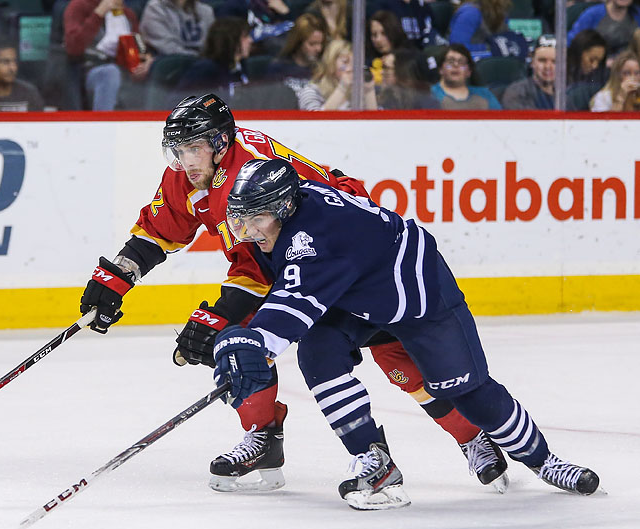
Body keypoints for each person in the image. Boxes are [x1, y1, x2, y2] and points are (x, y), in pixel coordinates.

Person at [78, 94, 509, 494]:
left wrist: (219, 315)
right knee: (242, 345)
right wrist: (114, 277)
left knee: (398, 360)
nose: (184, 161)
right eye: (178, 150)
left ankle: (473, 436)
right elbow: (162, 226)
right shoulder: (192, 173)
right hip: (288, 260)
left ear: (220, 142)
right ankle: (265, 437)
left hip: (340, 258)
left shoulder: (244, 178)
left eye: (193, 148)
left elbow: (261, 266)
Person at [212, 157, 600, 509]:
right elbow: (292, 292)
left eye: (256, 219)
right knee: (318, 353)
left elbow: (293, 304)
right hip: (358, 292)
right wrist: (247, 344)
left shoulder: (316, 238)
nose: (247, 231)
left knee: (470, 394)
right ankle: (374, 462)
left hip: (418, 297)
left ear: (284, 208)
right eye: (240, 220)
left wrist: (249, 343)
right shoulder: (293, 211)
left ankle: (544, 461)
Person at [64, 0, 152, 111]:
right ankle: (102, 123)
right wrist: (98, 14)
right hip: (89, 69)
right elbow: (73, 47)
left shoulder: (128, 14)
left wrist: (147, 62)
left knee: (155, 70)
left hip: (124, 70)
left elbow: (139, 50)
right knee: (110, 72)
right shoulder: (79, 6)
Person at [175, 17, 251, 100]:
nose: (250, 40)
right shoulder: (205, 70)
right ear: (231, 40)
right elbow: (180, 102)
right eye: (245, 37)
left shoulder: (240, 67)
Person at [298, 39, 378, 110]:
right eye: (345, 62)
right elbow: (314, 122)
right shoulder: (311, 91)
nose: (351, 68)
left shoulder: (357, 93)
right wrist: (342, 88)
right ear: (330, 64)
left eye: (355, 63)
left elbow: (375, 123)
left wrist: (369, 90)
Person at [448, 0, 529, 61]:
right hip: (475, 66)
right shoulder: (470, 14)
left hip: (497, 62)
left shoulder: (501, 11)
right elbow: (457, 49)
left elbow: (505, 37)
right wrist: (490, 48)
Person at [431, 43, 502, 109]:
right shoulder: (429, 95)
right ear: (440, 69)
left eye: (461, 62)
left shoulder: (484, 95)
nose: (456, 65)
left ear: (469, 72)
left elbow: (501, 120)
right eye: (450, 61)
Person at [139, 0, 215, 56]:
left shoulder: (205, 10)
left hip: (204, 66)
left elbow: (214, 46)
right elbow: (169, 49)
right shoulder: (155, 9)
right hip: (173, 69)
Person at [567, 0, 640, 57]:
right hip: (596, 66)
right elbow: (571, 41)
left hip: (628, 68)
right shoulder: (593, 14)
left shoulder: (637, 15)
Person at [502, 34, 555, 109]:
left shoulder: (568, 94)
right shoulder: (517, 93)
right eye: (542, 60)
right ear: (532, 61)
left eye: (555, 61)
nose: (548, 66)